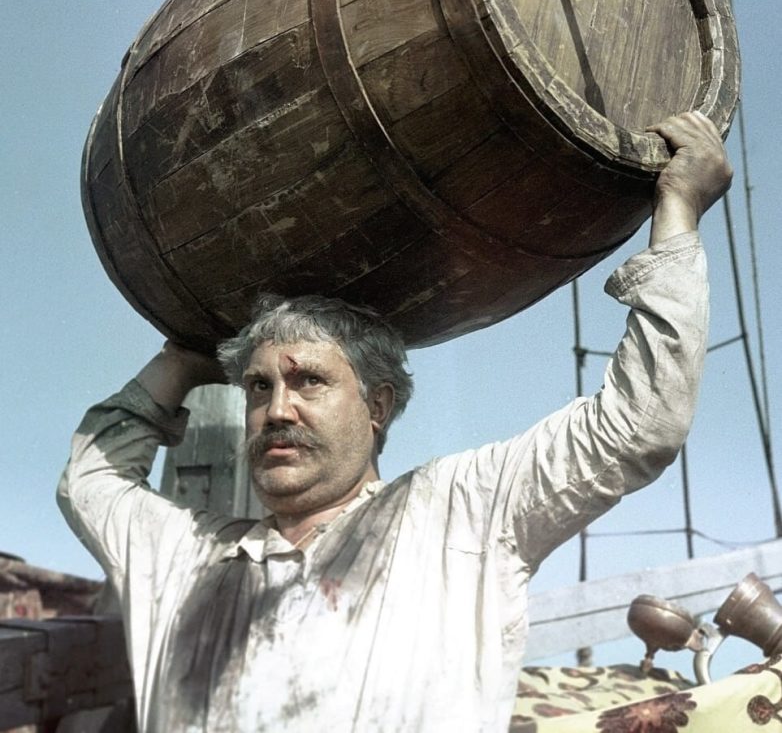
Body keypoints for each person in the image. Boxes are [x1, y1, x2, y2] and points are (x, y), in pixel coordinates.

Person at [58, 111, 732, 732]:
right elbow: (88, 479)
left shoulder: (459, 516)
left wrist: (677, 214)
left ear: (377, 405)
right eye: (259, 387)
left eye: (309, 380)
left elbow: (639, 425)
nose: (277, 409)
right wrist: (179, 360)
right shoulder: (185, 556)